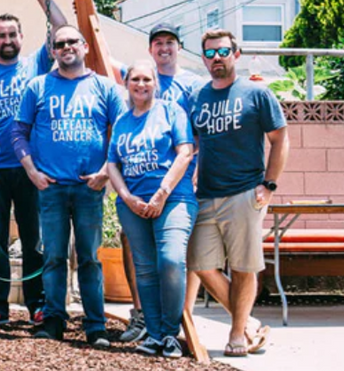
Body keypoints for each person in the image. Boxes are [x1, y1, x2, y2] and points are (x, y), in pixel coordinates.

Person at [13, 24, 125, 348]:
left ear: (85, 46)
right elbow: (18, 133)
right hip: (51, 188)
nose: (66, 47)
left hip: (90, 188)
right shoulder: (38, 87)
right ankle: (53, 320)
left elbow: (122, 133)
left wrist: (105, 172)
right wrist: (32, 171)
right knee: (53, 257)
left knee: (89, 258)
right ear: (53, 51)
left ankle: (95, 325)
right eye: (59, 44)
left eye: (72, 41)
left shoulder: (105, 88)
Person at [188, 29, 288, 357]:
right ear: (204, 58)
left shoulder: (256, 93)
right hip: (205, 195)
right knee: (200, 263)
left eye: (223, 51)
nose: (216, 57)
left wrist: (269, 185)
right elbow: (193, 144)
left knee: (244, 267)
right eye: (210, 53)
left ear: (236, 54)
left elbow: (280, 139)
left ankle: (236, 334)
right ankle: (248, 323)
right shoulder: (197, 97)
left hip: (245, 193)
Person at [0, 0, 67, 332]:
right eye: (1, 35)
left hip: (31, 169)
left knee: (34, 241)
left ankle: (36, 304)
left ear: (22, 37)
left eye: (13, 34)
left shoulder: (35, 64)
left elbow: (62, 28)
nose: (8, 40)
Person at [119, 22, 206, 343]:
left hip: (179, 186)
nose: (164, 48)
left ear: (178, 47)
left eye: (170, 42)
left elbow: (198, 137)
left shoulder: (192, 86)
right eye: (158, 43)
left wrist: (193, 173)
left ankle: (181, 320)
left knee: (175, 256)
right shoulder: (132, 101)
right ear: (150, 49)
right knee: (142, 257)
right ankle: (147, 320)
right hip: (138, 192)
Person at [106, 61, 196, 358]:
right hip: (132, 204)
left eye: (147, 79)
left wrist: (161, 193)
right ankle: (155, 335)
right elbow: (112, 164)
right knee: (144, 269)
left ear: (155, 82)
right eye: (135, 79)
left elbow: (185, 152)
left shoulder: (172, 111)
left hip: (173, 199)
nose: (141, 84)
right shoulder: (122, 121)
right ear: (127, 84)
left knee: (170, 260)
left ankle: (170, 333)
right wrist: (127, 196)